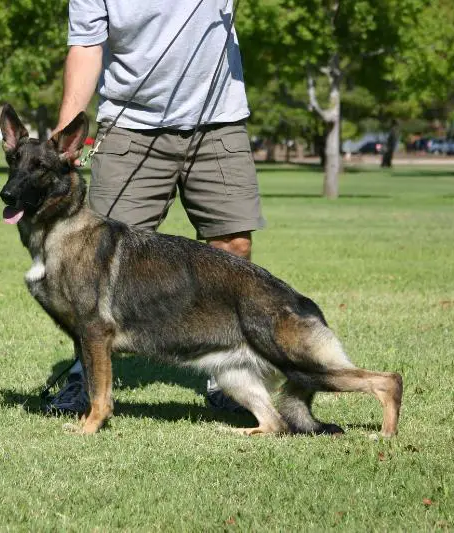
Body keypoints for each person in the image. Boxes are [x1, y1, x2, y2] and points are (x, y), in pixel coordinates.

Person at [46, 0, 264, 414]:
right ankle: (83, 378)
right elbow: (87, 47)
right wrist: (67, 130)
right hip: (130, 128)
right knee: (93, 264)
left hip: (218, 123)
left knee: (233, 246)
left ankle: (224, 375)